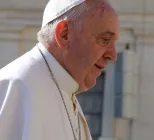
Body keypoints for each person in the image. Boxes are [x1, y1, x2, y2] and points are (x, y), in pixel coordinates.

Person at [0, 0, 119, 139]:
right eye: (105, 39)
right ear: (64, 34)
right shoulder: (18, 87)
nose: (113, 56)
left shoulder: (66, 90)